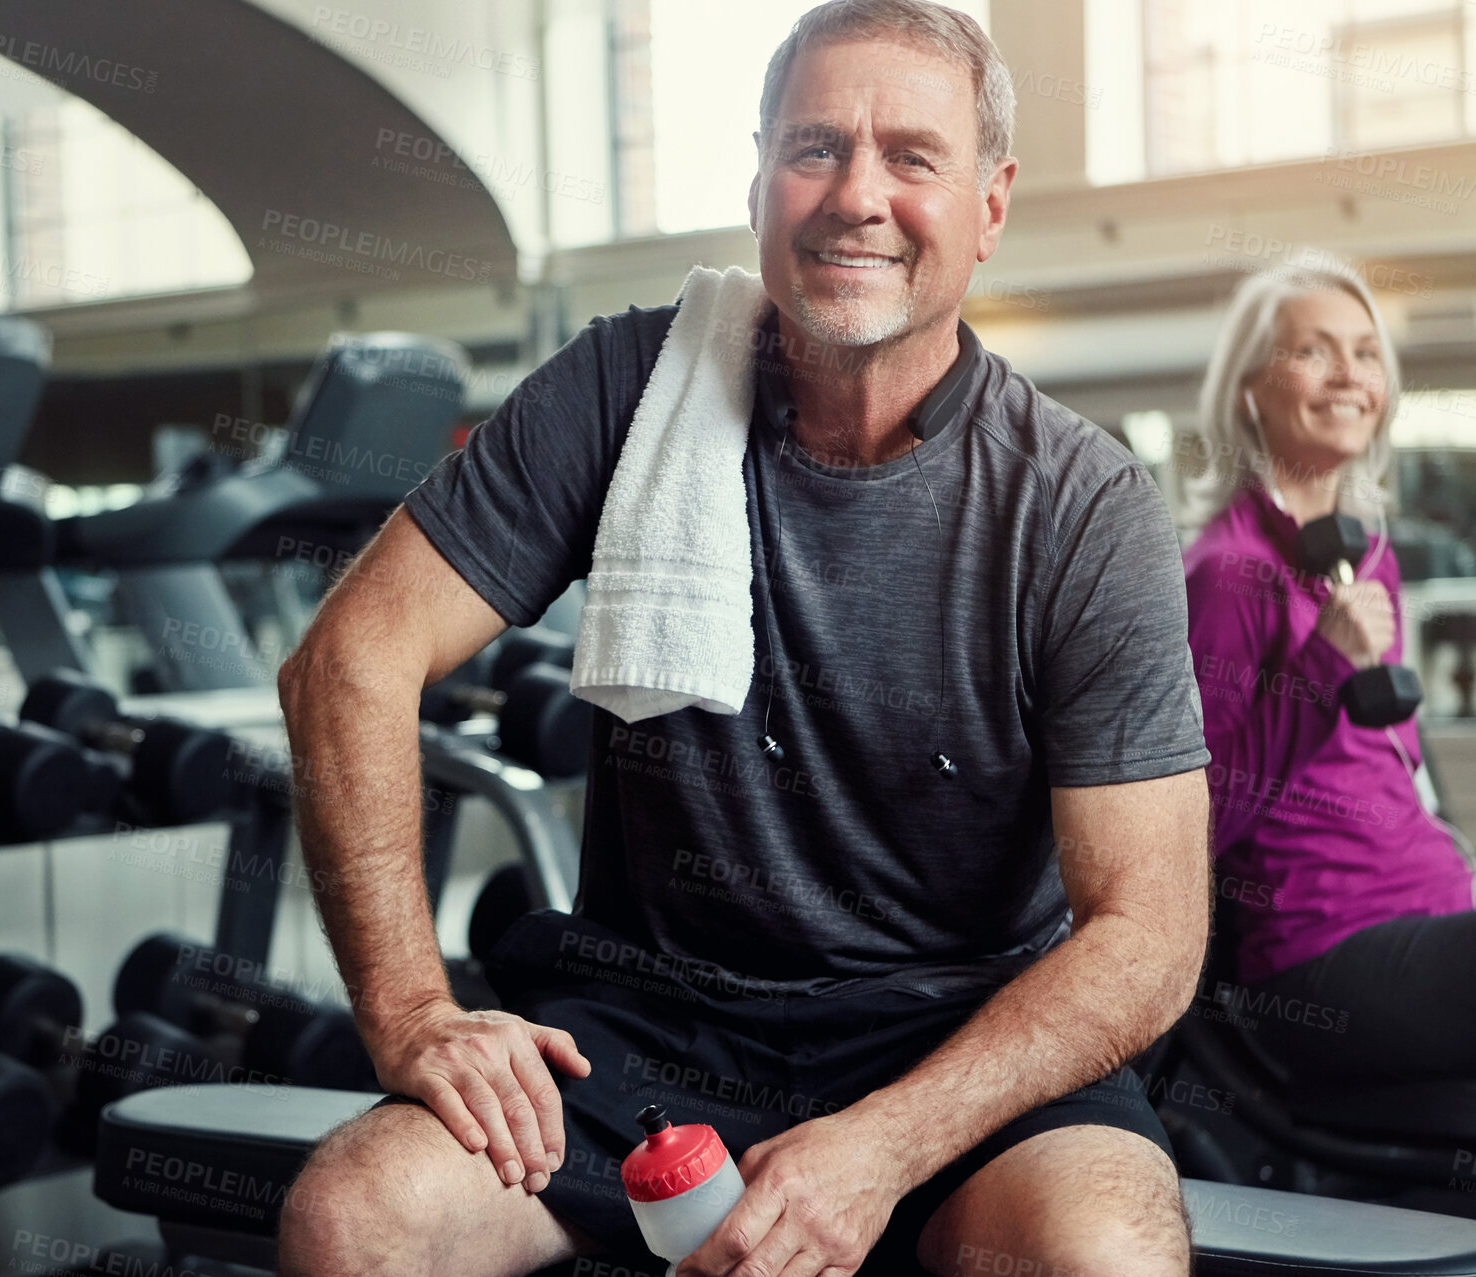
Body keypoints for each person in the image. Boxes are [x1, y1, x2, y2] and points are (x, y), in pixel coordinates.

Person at [275, 2, 1211, 1274]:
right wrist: (409, 1013)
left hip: (956, 1047)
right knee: (356, 1216)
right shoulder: (627, 388)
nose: (855, 197)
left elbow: (1148, 934)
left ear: (992, 205)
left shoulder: (1080, 504)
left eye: (912, 158)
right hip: (650, 1032)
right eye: (815, 146)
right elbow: (349, 661)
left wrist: (880, 1144)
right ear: (761, 173)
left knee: (1101, 1251)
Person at [1181, 257, 1476, 1080]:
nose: (1350, 372)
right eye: (1315, 350)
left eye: (1366, 352)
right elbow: (1193, 819)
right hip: (1321, 955)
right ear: (1251, 390)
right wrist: (1321, 664)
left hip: (1436, 910)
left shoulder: (1369, 560)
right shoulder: (1225, 571)